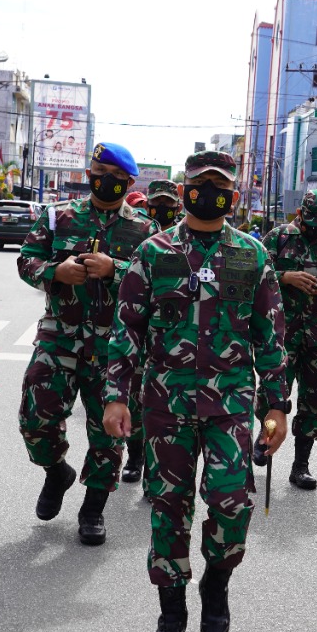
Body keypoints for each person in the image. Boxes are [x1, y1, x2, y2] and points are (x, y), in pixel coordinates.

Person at [103, 150, 289, 632]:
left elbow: (270, 335)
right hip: (166, 404)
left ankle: (216, 581)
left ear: (233, 195)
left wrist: (277, 407)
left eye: (219, 186)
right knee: (169, 507)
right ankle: (171, 609)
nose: (209, 193)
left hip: (230, 404)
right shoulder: (153, 252)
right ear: (185, 190)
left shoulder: (253, 255)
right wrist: (116, 396)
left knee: (232, 502)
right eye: (201, 184)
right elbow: (127, 329)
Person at [17, 142, 158, 545]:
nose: (106, 181)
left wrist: (116, 270)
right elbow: (26, 260)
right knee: (34, 418)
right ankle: (56, 471)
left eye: (116, 177)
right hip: (59, 335)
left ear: (128, 183)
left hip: (115, 345)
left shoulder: (145, 231)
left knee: (108, 432)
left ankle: (93, 508)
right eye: (100, 173)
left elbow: (160, 280)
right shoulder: (58, 216)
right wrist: (55, 271)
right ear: (89, 174)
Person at [257, 189, 317, 489]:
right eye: (310, 221)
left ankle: (301, 466)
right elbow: (256, 275)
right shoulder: (278, 237)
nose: (314, 228)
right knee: (272, 395)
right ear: (300, 213)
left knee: (312, 402)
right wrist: (286, 277)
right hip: (282, 335)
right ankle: (265, 439)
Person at [119, 180, 187, 484]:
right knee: (135, 399)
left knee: (162, 404)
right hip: (139, 327)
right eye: (157, 202)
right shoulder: (137, 232)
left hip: (171, 334)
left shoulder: (187, 236)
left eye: (168, 203)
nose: (162, 208)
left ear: (177, 205)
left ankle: (154, 471)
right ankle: (135, 457)